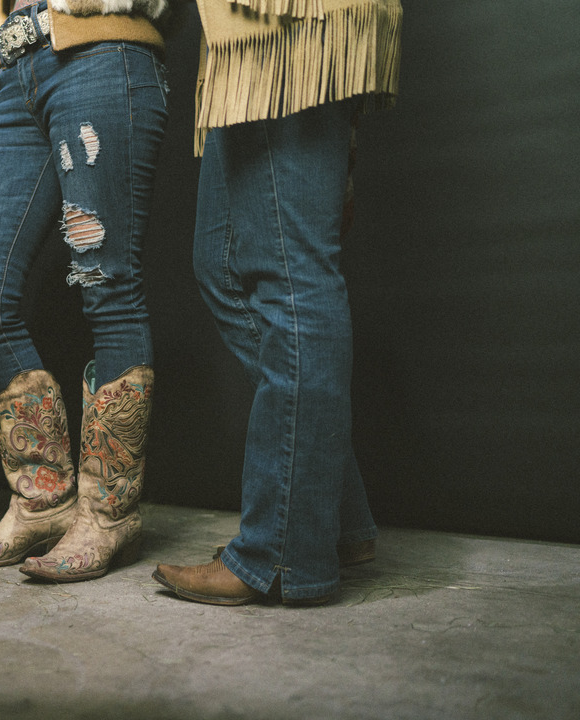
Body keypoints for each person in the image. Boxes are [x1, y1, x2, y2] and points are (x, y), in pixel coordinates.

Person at [152, 0, 403, 605]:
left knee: (289, 277)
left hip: (287, 21)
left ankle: (284, 551)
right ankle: (327, 520)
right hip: (243, 30)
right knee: (224, 267)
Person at [0, 0, 174, 582]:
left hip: (101, 48)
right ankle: (43, 502)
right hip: (17, 71)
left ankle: (108, 514)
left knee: (107, 286)